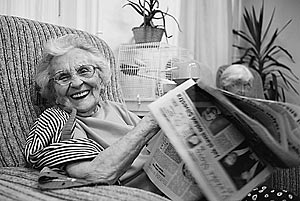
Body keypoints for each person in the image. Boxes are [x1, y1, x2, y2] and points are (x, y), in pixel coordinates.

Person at [24, 34, 163, 194]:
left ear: (101, 78)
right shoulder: (59, 119)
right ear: (53, 89)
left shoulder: (116, 108)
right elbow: (94, 173)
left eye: (84, 71)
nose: (76, 83)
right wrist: (150, 122)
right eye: (63, 77)